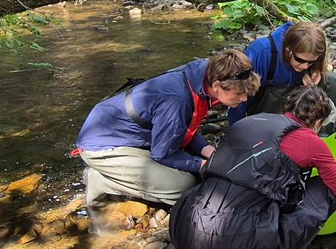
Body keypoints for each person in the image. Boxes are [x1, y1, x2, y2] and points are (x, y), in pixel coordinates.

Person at [170, 86, 336, 249]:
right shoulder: (311, 142)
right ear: (318, 122)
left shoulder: (250, 122)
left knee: (245, 195)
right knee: (326, 190)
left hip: (187, 233)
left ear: (286, 108)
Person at [76, 49, 259, 207]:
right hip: (101, 145)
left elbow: (183, 126)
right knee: (182, 186)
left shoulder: (204, 76)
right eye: (240, 94)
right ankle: (101, 180)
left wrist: (210, 152)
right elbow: (162, 154)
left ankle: (122, 174)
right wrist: (207, 165)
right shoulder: (177, 98)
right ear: (218, 86)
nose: (244, 99)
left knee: (195, 168)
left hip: (130, 134)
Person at [229, 21, 336, 126]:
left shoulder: (310, 60)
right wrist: (238, 129)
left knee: (333, 81)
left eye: (311, 62)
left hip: (293, 103)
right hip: (261, 108)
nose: (305, 66)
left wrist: (315, 69)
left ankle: (320, 132)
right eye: (300, 60)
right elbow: (239, 94)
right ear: (288, 48)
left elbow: (314, 64)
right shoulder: (261, 52)